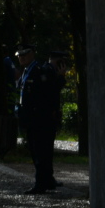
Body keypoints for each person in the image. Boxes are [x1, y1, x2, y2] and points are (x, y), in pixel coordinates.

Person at [16, 44, 66, 194]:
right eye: (19, 55)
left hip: (40, 119)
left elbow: (49, 93)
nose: (21, 57)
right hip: (31, 118)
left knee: (40, 152)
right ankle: (46, 180)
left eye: (25, 54)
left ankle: (41, 183)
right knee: (38, 151)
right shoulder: (27, 71)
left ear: (32, 54)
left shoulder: (38, 71)